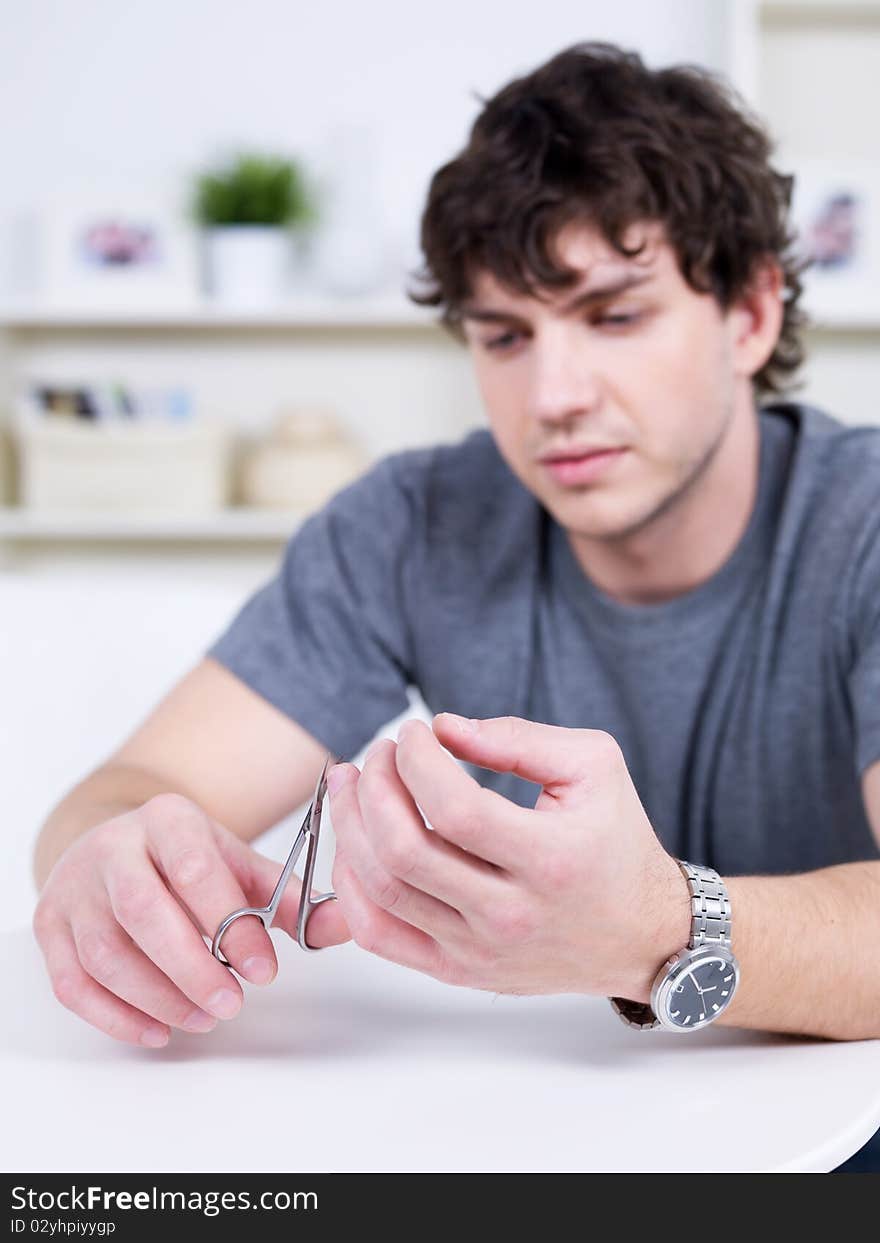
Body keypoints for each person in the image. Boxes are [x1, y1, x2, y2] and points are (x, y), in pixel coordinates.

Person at [31, 42, 880, 1168]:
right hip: (537, 1137)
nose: (555, 398)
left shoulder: (862, 522)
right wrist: (108, 866)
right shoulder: (410, 524)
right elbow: (126, 796)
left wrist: (654, 929)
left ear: (750, 314)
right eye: (504, 336)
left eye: (615, 316)